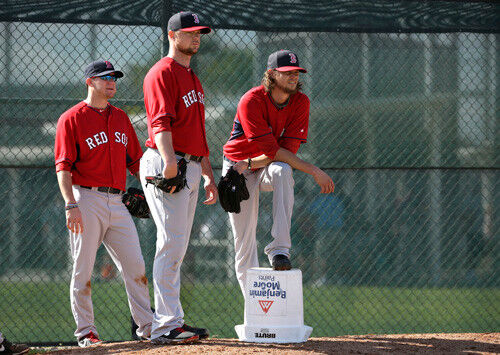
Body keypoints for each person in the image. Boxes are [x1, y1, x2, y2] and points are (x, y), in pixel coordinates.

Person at [54, 60, 153, 347]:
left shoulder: (121, 117)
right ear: (89, 82)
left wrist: (151, 186)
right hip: (86, 197)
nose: (112, 82)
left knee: (135, 267)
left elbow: (136, 161)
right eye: (105, 77)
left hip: (117, 200)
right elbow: (63, 167)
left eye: (114, 78)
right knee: (83, 270)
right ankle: (86, 332)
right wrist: (70, 204)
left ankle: (147, 327)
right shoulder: (71, 118)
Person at [222, 50, 335, 295]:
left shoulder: (300, 102)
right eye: (287, 72)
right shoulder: (251, 100)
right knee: (244, 243)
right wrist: (313, 170)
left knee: (283, 170)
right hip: (237, 169)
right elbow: (273, 149)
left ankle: (279, 249)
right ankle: (251, 308)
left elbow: (285, 152)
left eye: (296, 72)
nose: (293, 76)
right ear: (271, 74)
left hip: (256, 165)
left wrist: (252, 164)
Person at [141, 11, 218, 344]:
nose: (196, 37)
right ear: (172, 35)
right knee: (171, 243)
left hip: (189, 165)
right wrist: (170, 160)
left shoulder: (193, 78)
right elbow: (160, 122)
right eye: (190, 32)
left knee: (177, 245)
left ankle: (171, 319)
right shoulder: (162, 72)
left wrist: (209, 176)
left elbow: (198, 134)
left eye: (199, 33)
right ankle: (166, 323)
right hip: (166, 161)